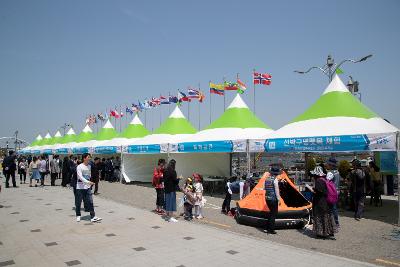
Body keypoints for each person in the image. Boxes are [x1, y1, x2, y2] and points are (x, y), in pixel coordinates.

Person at [75, 153, 102, 223]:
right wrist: (88, 182)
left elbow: (89, 175)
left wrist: (90, 182)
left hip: (87, 187)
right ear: (84, 158)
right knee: (78, 202)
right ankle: (78, 215)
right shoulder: (79, 167)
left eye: (90, 157)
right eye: (88, 157)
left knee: (90, 202)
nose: (90, 158)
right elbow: (80, 177)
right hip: (80, 187)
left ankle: (93, 216)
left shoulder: (89, 166)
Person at [311, 166, 335, 239]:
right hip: (325, 201)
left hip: (319, 202)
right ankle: (329, 231)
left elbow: (318, 192)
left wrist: (312, 190)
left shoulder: (318, 181)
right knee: (326, 216)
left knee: (319, 217)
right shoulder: (324, 179)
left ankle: (320, 233)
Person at [263, 166, 282, 234]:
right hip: (273, 199)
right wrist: (279, 200)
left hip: (267, 198)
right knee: (273, 214)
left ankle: (266, 228)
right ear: (276, 173)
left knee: (270, 213)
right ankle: (271, 229)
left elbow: (264, 188)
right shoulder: (275, 180)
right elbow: (277, 191)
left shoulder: (266, 179)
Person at [326, 158, 341, 230]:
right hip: (337, 191)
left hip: (331, 192)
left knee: (331, 208)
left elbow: (326, 183)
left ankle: (334, 223)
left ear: (331, 165)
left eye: (328, 164)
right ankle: (336, 222)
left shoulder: (330, 173)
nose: (327, 165)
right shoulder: (337, 172)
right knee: (334, 208)